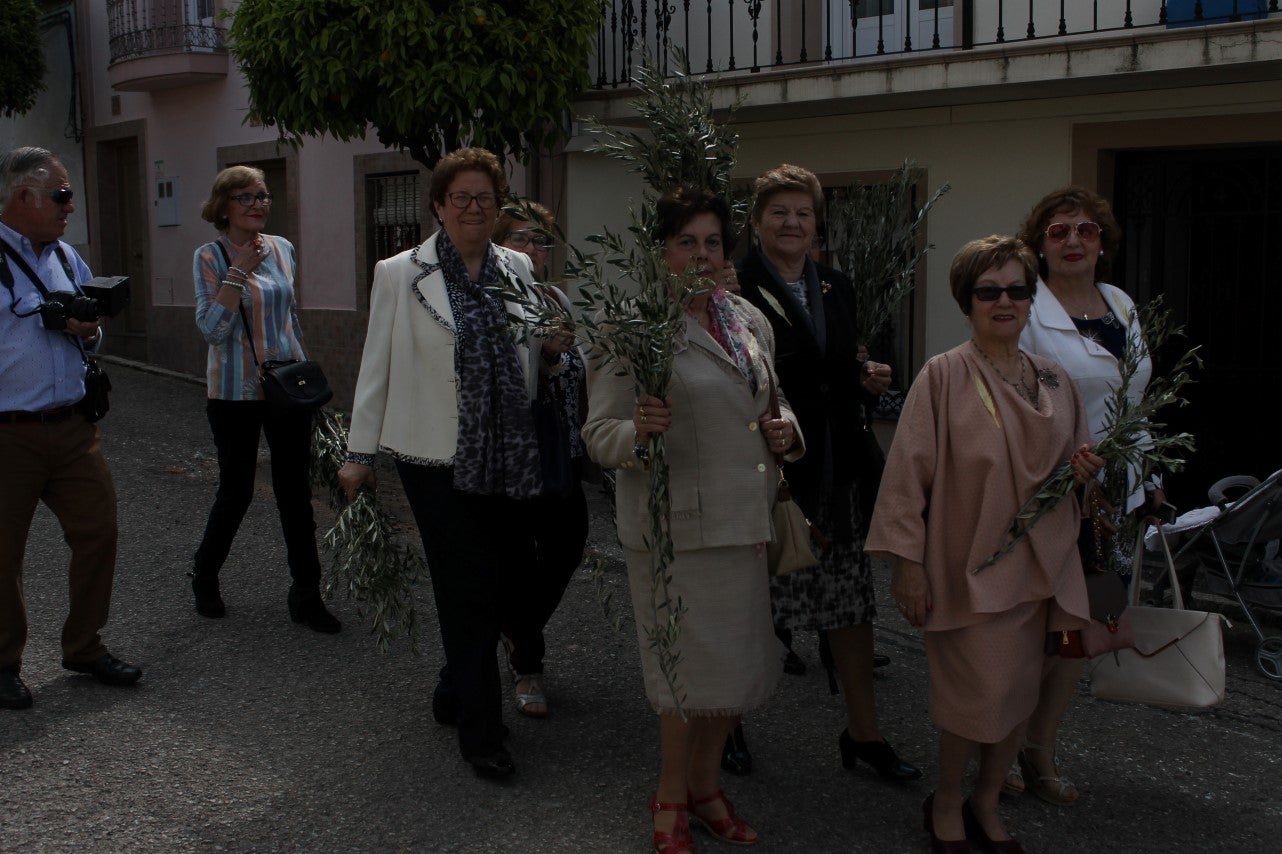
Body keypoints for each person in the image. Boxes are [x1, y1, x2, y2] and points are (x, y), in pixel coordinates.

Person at [866, 235, 1102, 853]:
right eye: (988, 291)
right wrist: (907, 567)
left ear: (1031, 299)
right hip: (967, 569)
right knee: (977, 697)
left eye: (1017, 290)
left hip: (1042, 569)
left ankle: (987, 801)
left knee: (1020, 697)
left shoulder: (1055, 379)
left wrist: (1082, 474)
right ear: (966, 301)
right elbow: (905, 478)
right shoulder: (943, 376)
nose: (1005, 301)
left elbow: (1071, 475)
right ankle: (947, 800)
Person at [582, 186, 800, 853]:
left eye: (712, 242)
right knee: (684, 680)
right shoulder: (631, 326)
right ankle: (671, 795)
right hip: (674, 531)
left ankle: (707, 790)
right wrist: (639, 432)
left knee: (730, 676)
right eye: (686, 243)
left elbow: (773, 400)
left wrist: (787, 430)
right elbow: (599, 433)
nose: (702, 255)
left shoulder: (747, 319)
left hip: (744, 523)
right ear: (660, 253)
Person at [338, 147, 546, 779]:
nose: (474, 208)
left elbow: (531, 354)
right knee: (467, 589)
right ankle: (483, 735)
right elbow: (376, 362)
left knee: (504, 581)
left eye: (485, 197)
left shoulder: (518, 267)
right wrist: (359, 453)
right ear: (438, 205)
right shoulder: (400, 272)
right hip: (432, 456)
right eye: (461, 197)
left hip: (507, 453)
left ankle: (455, 689)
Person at [735, 163, 920, 781]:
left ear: (817, 224)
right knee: (747, 604)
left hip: (837, 467)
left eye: (804, 213)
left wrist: (864, 378)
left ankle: (864, 734)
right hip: (768, 470)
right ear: (757, 222)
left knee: (850, 602)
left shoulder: (837, 285)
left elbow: (834, 366)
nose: (792, 223)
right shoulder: (735, 284)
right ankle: (724, 725)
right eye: (779, 212)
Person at [1007, 186, 1162, 806]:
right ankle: (1003, 745)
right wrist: (1065, 469)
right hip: (1055, 494)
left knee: (1084, 631)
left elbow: (1135, 399)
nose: (1073, 240)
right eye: (1058, 231)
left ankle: (1041, 748)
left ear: (1103, 241)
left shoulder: (1120, 303)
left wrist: (1150, 476)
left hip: (1116, 501)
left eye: (1086, 230)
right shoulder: (1027, 312)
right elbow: (1017, 406)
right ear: (1039, 245)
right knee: (1036, 630)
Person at [0, 146, 142, 709]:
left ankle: (84, 646)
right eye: (60, 195)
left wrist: (88, 330)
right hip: (8, 432)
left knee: (98, 533)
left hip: (74, 427)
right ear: (22, 197)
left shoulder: (65, 255)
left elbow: (92, 328)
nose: (70, 206)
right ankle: (3, 662)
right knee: (3, 555)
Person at [189, 166, 340, 635]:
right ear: (224, 206)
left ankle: (307, 593)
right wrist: (238, 273)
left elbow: (289, 317)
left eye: (263, 196)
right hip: (234, 393)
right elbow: (212, 330)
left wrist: (306, 378)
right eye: (246, 197)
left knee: (295, 492)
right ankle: (205, 575)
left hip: (285, 390)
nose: (258, 204)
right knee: (236, 490)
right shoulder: (210, 256)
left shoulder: (282, 248)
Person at [491, 202, 589, 718]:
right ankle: (528, 664)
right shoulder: (492, 301)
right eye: (521, 239)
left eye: (541, 241)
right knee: (516, 562)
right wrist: (548, 355)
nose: (532, 250)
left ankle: (513, 630)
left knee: (567, 548)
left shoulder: (556, 299)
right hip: (517, 460)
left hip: (563, 454)